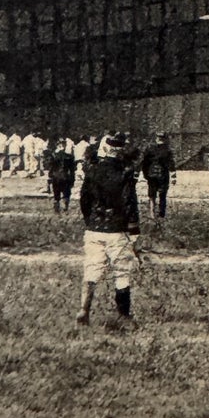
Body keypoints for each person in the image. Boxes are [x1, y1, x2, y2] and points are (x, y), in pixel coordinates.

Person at [76, 135, 141, 327]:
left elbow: (84, 200)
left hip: (94, 227)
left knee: (91, 270)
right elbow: (130, 201)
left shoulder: (92, 170)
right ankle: (124, 315)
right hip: (116, 228)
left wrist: (90, 220)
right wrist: (134, 230)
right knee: (122, 272)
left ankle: (84, 310)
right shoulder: (125, 172)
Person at [140, 133, 176, 221]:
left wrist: (145, 174)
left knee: (152, 195)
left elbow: (144, 163)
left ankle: (152, 214)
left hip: (152, 175)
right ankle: (161, 214)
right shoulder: (167, 150)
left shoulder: (150, 149)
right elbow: (171, 164)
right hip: (162, 175)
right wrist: (174, 177)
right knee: (162, 195)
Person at [46, 138, 77, 213]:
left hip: (56, 177)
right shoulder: (69, 157)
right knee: (66, 193)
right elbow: (72, 170)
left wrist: (49, 178)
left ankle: (57, 209)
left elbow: (50, 168)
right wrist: (72, 180)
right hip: (65, 177)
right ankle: (65, 208)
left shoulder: (53, 156)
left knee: (56, 194)